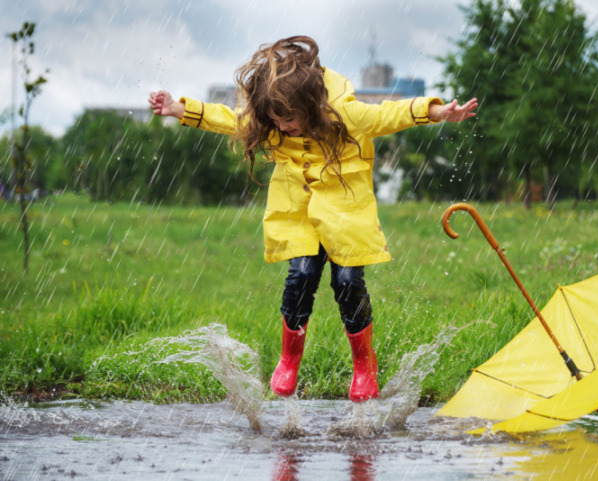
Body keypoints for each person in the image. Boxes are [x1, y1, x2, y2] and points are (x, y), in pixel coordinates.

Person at [148, 36, 477, 402]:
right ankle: (289, 358)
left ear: (308, 106)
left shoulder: (343, 112)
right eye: (275, 120)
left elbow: (388, 114)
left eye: (288, 120)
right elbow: (231, 119)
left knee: (349, 282)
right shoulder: (272, 120)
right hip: (297, 208)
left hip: (345, 206)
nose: (282, 127)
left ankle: (365, 364)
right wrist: (180, 109)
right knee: (301, 275)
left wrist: (438, 112)